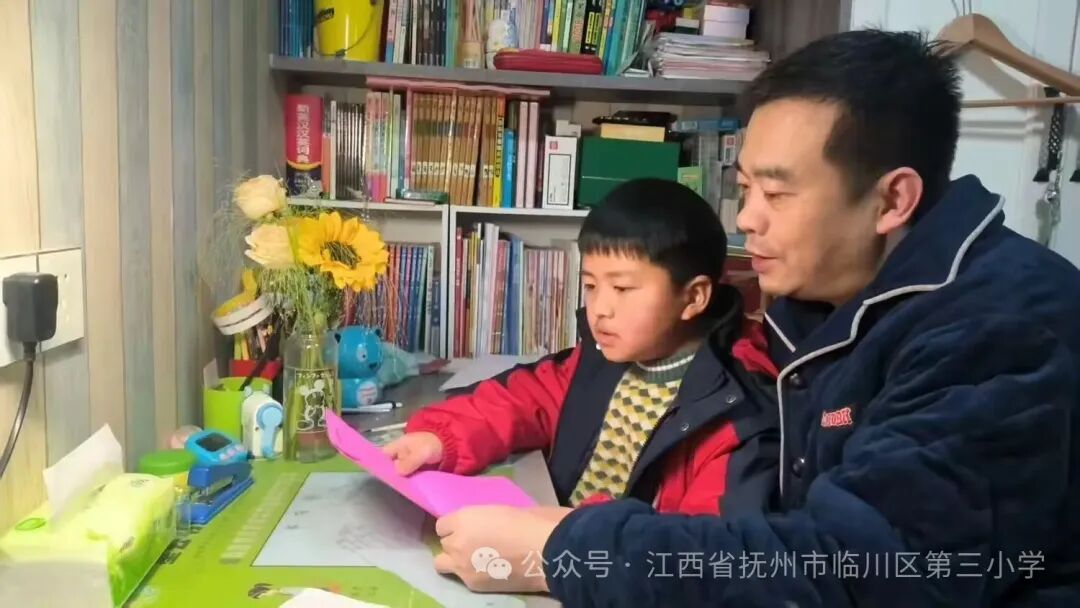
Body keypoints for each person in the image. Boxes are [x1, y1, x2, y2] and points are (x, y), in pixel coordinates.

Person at [430, 30, 1080, 606]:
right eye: (744, 189)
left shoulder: (1002, 329)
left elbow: (862, 574)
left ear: (892, 200)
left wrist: (564, 552)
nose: (746, 218)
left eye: (776, 193)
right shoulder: (818, 301)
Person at [385, 178, 780, 516]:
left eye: (622, 288)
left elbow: (702, 550)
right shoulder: (597, 359)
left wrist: (573, 533)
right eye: (591, 285)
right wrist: (440, 439)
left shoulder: (734, 409)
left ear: (693, 297)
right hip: (549, 543)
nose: (600, 309)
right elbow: (520, 400)